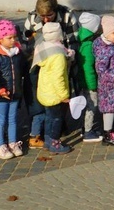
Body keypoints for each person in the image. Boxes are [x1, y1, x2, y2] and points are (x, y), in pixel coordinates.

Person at [0, 19, 26, 160]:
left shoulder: (18, 53)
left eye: (14, 37)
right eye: (9, 38)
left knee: (13, 119)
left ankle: (13, 142)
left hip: (14, 92)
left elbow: (22, 70)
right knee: (1, 120)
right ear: (0, 38)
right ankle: (0, 145)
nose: (13, 40)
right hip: (0, 95)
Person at [33, 22, 73, 154]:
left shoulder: (43, 47)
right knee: (56, 118)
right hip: (55, 94)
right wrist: (64, 95)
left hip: (45, 91)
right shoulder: (58, 55)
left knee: (49, 117)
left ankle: (48, 140)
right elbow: (58, 77)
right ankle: (55, 142)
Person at [93, 15, 114, 146]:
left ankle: (112, 129)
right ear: (106, 33)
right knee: (109, 109)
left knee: (113, 109)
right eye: (113, 33)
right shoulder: (104, 49)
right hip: (108, 85)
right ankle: (107, 133)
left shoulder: (111, 45)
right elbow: (100, 70)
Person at [76, 12, 102, 142]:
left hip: (82, 81)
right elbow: (88, 68)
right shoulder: (89, 45)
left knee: (85, 105)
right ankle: (88, 131)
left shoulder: (82, 39)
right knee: (92, 105)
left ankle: (84, 128)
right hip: (88, 82)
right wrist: (93, 85)